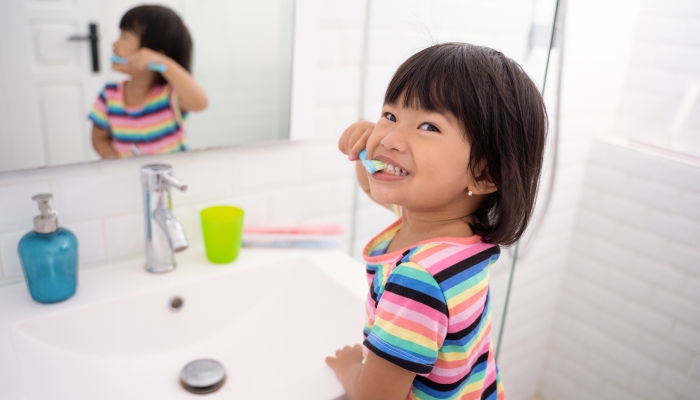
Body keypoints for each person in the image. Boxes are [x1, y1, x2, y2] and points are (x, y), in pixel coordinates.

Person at [326, 43, 547, 400]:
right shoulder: (453, 232)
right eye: (391, 115)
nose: (392, 138)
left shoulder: (416, 278)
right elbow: (375, 185)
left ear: (484, 173)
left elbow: (375, 396)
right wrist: (366, 150)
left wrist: (348, 366)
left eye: (428, 126)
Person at [89, 5, 208, 159]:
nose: (114, 43)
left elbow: (200, 103)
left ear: (152, 53)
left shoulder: (170, 95)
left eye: (124, 37)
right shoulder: (109, 94)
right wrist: (119, 166)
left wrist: (164, 63)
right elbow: (99, 139)